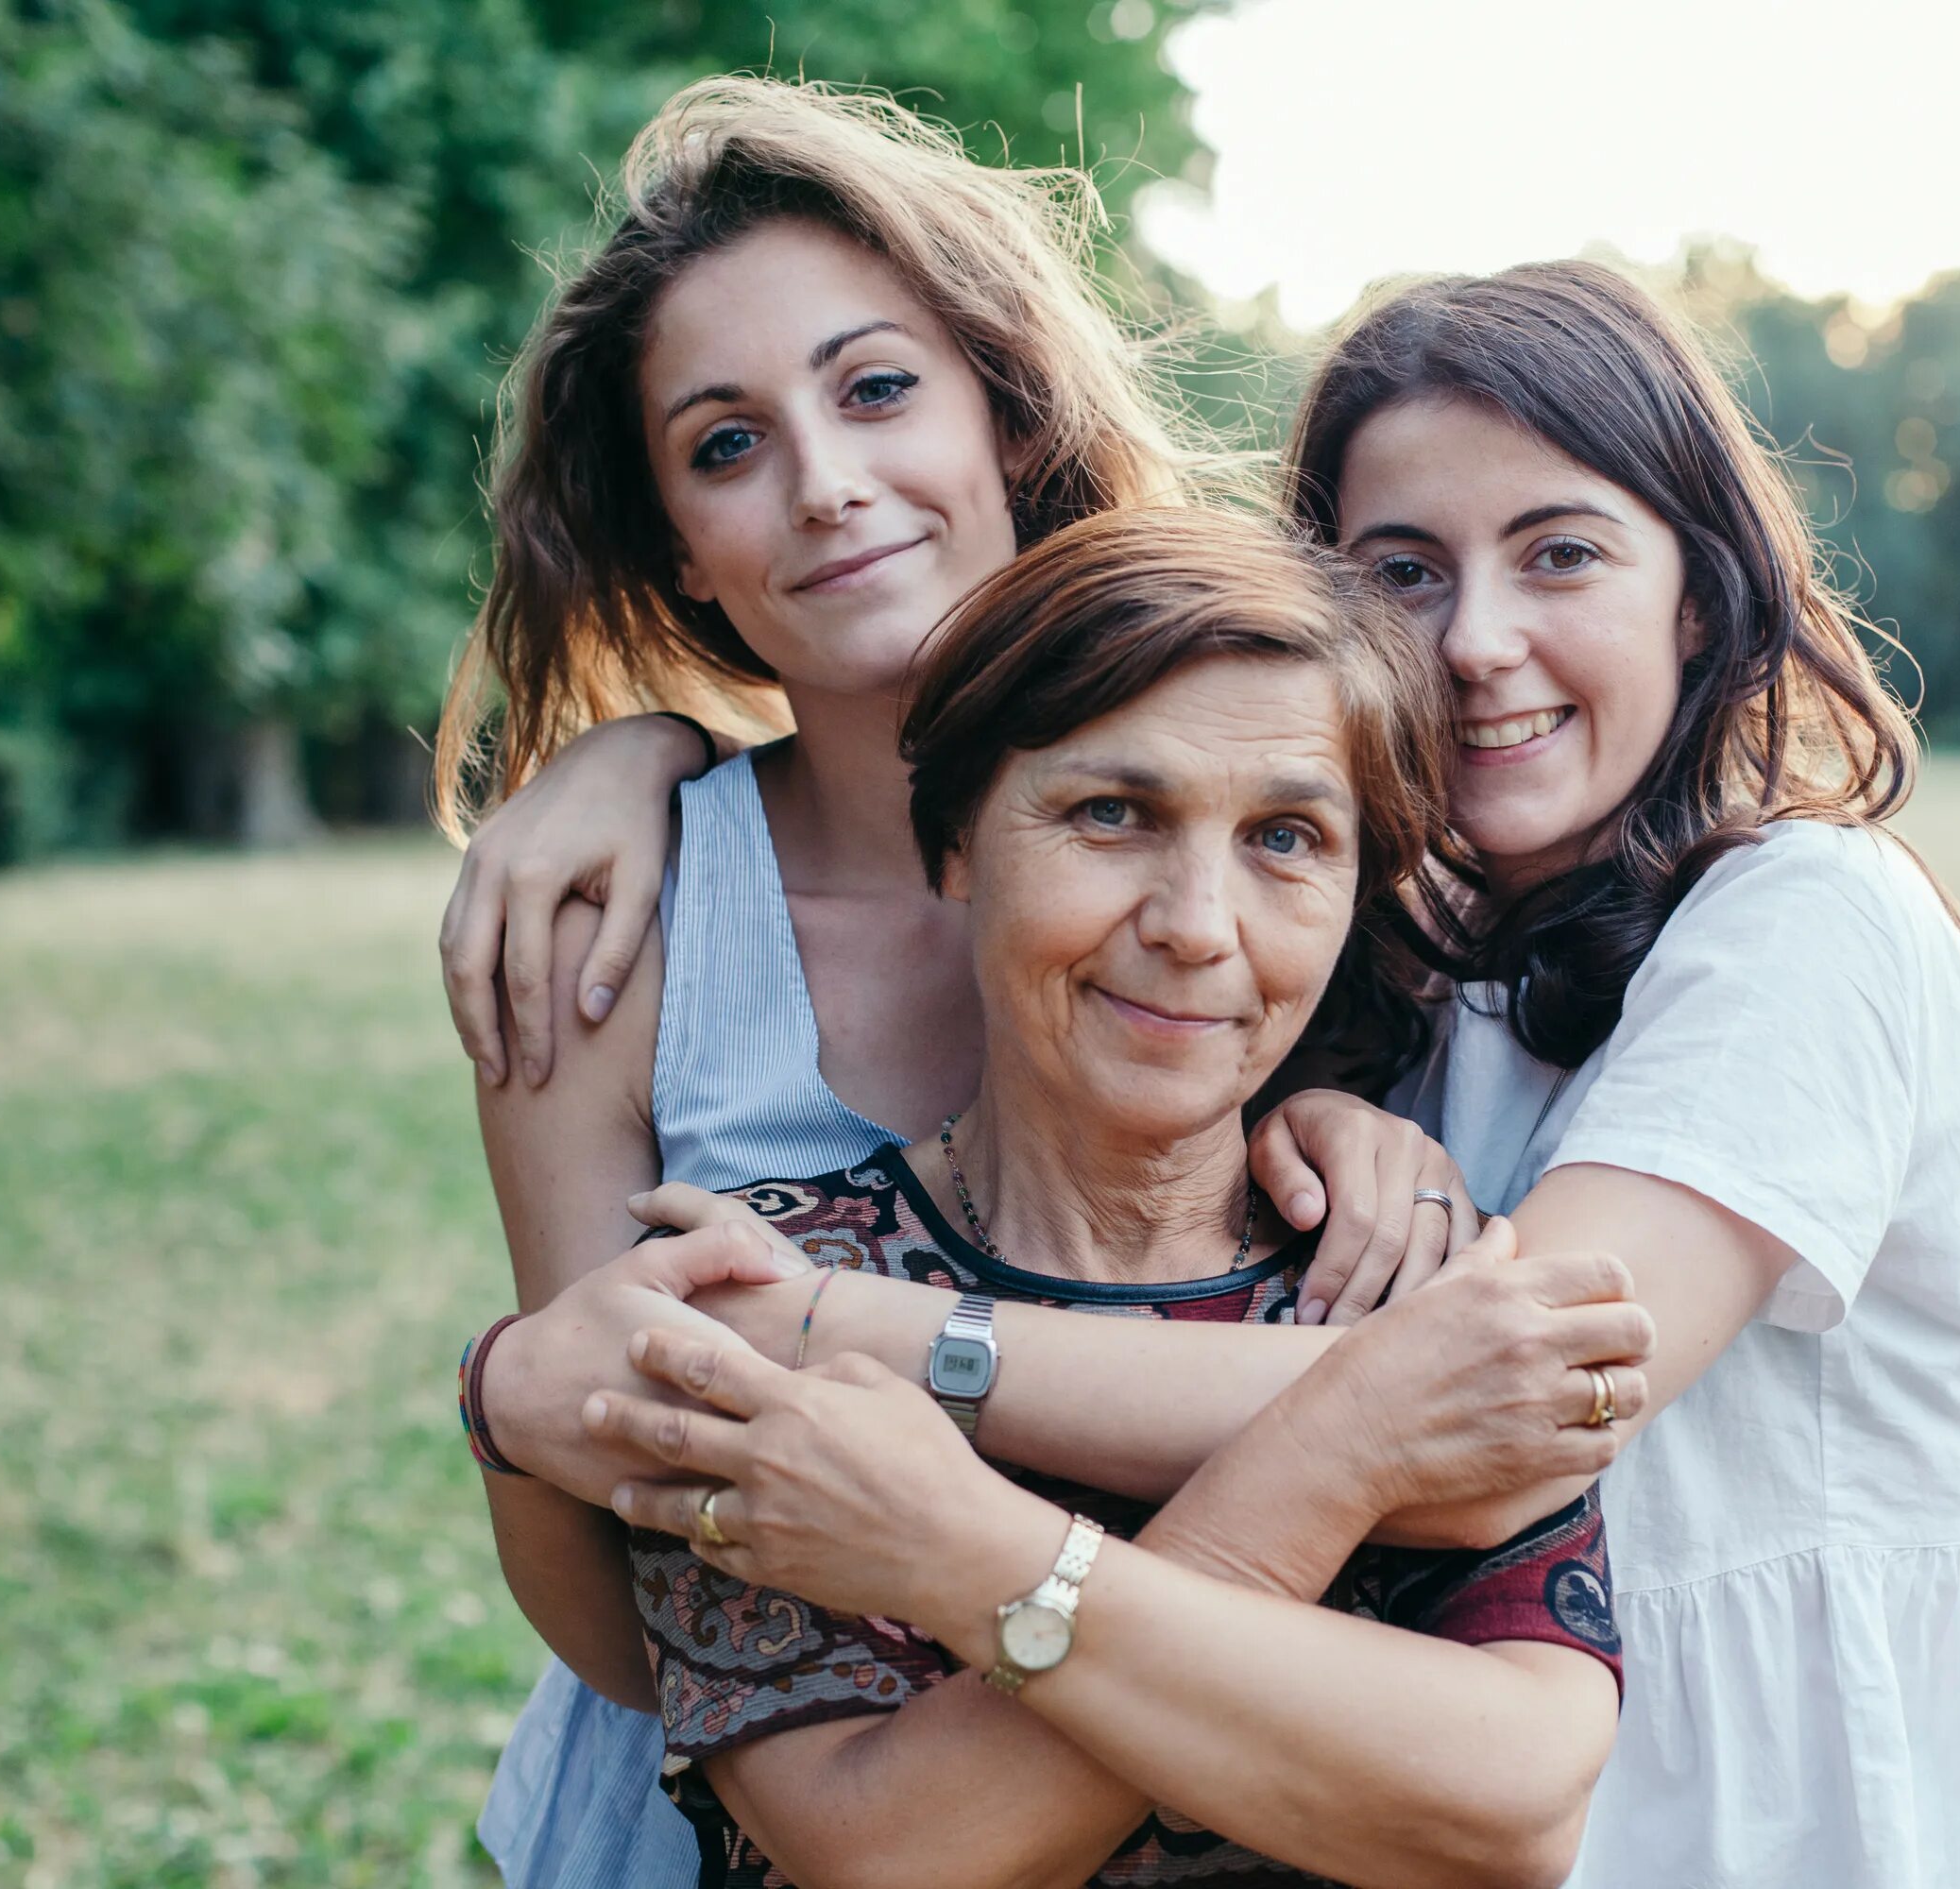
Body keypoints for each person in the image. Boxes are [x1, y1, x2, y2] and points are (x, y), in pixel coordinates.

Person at [467, 257, 1960, 1888]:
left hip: (1757, 1795)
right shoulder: (1417, 958)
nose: (1481, 640)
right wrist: (637, 749)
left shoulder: (1805, 917)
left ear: (1702, 598)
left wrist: (850, 1349)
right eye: (1405, 572)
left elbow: (1508, 1409)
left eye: (1562, 554)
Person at [440, 77, 1500, 1889]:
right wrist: (635, 755)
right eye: (726, 445)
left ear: (1006, 414)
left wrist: (1335, 1121)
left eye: (874, 389)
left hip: (1230, 1761)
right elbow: (627, 1540)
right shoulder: (609, 922)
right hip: (772, 1795)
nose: (828, 483)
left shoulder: (1251, 808)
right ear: (674, 550)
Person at [484, 505, 1643, 1887]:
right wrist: (1340, 1454)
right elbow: (889, 1851)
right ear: (957, 845)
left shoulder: (1410, 1289)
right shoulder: (752, 1289)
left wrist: (968, 1552)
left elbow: (1508, 1809)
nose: (1198, 925)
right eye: (1112, 814)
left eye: (1287, 838)